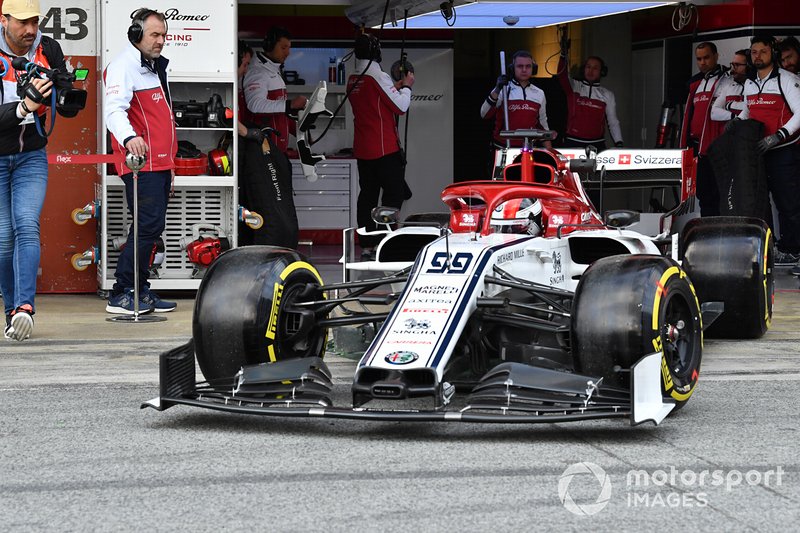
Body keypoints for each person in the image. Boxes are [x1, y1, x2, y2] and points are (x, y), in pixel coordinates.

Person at [0, 0, 69, 340]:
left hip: (31, 157)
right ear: (4, 19)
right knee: (3, 237)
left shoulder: (48, 47)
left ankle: (24, 308)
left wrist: (65, 91)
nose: (30, 30)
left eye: (34, 22)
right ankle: (11, 311)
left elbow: (67, 105)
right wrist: (24, 106)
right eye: (22, 22)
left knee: (26, 224)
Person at [103, 8, 177, 314]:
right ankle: (123, 292)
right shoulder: (123, 66)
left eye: (163, 35)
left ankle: (139, 289)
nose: (160, 41)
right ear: (136, 35)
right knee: (147, 226)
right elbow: (113, 111)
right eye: (154, 35)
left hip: (159, 164)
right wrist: (128, 137)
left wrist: (170, 166)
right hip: (140, 164)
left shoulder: (153, 67)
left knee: (150, 227)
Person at [347, 33, 415, 257]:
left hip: (363, 149)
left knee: (367, 195)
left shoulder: (353, 77)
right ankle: (387, 240)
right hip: (385, 149)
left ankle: (367, 243)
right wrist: (406, 87)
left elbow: (376, 100)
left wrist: (393, 87)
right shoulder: (378, 76)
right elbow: (401, 107)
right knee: (394, 194)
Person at [738, 36, 800, 273]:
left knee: (789, 204)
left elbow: (799, 112)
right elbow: (748, 110)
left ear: (771, 53)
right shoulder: (750, 81)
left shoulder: (787, 79)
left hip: (783, 152)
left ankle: (794, 250)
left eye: (762, 52)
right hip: (759, 153)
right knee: (762, 203)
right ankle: (775, 247)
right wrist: (737, 122)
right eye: (754, 52)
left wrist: (779, 135)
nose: (758, 56)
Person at [680, 41, 727, 217]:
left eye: (706, 58)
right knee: (703, 196)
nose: (703, 62)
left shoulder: (726, 79)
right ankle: (708, 234)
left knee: (720, 195)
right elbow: (687, 117)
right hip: (696, 148)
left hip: (717, 148)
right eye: (699, 59)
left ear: (716, 56)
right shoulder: (694, 83)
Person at [242, 27, 306, 153]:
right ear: (269, 46)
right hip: (263, 151)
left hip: (276, 150)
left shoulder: (272, 70)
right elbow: (255, 104)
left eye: (288, 48)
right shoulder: (257, 72)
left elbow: (280, 110)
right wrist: (290, 104)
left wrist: (298, 129)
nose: (288, 53)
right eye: (283, 48)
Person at [481, 51, 551, 155]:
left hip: (528, 150)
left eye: (528, 66)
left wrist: (550, 151)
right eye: (519, 66)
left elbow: (543, 125)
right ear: (512, 69)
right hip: (502, 149)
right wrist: (497, 89)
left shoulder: (539, 93)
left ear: (534, 69)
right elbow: (484, 114)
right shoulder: (503, 89)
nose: (524, 70)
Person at [556, 52, 623, 150]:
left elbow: (613, 121)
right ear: (584, 69)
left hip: (597, 144)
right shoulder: (574, 86)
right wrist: (563, 55)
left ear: (602, 72)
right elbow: (562, 76)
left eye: (595, 68)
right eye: (588, 67)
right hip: (573, 142)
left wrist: (619, 142)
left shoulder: (607, 94)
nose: (590, 71)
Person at [710, 49, 749, 123]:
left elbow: (752, 109)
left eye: (737, 65)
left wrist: (729, 105)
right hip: (730, 132)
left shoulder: (756, 86)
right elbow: (714, 113)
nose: (733, 68)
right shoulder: (728, 86)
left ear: (749, 66)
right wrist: (736, 117)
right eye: (732, 64)